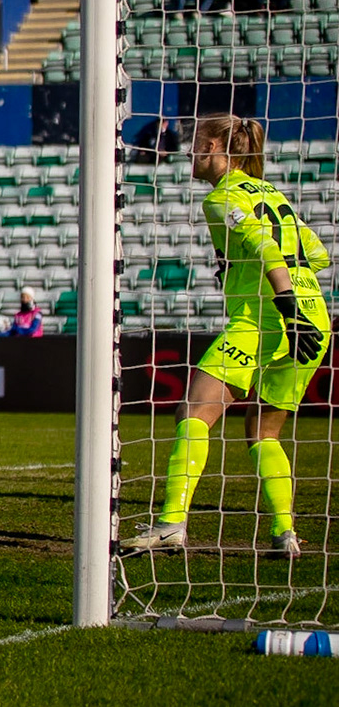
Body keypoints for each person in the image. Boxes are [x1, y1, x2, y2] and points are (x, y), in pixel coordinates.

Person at [121, 116, 330, 559]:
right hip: (316, 317)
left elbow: (263, 246)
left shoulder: (222, 198)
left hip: (270, 314)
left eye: (197, 144)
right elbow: (318, 253)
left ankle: (171, 524)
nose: (191, 153)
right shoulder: (272, 192)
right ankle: (284, 532)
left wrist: (285, 302)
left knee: (194, 410)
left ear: (216, 146)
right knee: (264, 432)